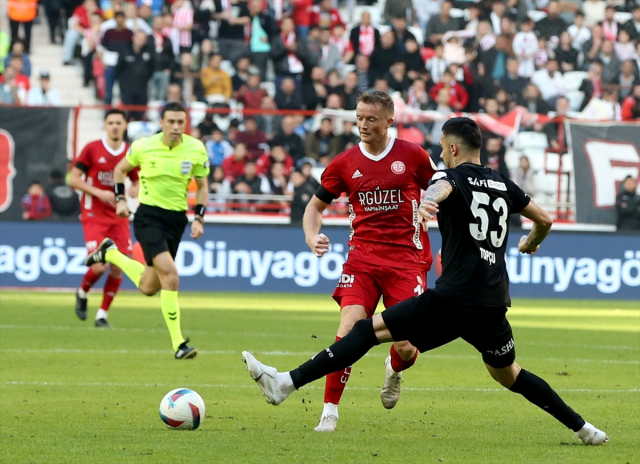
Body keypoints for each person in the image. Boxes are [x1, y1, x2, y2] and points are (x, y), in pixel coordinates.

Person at [242, 117, 610, 447]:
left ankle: (284, 384)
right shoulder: (503, 183)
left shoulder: (447, 177)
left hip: (451, 301)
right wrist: (532, 241)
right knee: (509, 374)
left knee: (365, 331)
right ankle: (584, 429)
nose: (441, 154)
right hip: (493, 304)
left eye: (442, 148)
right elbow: (544, 218)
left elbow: (439, 189)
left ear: (452, 148)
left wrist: (427, 202)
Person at [294, 91, 436, 433]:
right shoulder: (344, 163)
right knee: (347, 330)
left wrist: (431, 205)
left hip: (407, 261)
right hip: (363, 261)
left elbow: (442, 187)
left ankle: (395, 369)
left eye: (371, 119)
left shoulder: (413, 156)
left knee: (405, 345)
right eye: (359, 118)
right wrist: (312, 236)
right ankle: (329, 411)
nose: (363, 125)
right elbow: (314, 207)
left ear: (389, 121)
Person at [83, 102, 209, 359]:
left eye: (180, 122)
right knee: (171, 276)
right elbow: (119, 170)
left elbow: (203, 185)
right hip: (148, 217)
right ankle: (178, 344)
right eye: (171, 121)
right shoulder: (143, 146)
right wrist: (120, 200)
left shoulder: (196, 148)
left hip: (176, 221)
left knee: (149, 287)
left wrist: (199, 218)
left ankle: (110, 253)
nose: (175, 127)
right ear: (161, 122)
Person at [69, 109, 138, 328]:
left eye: (119, 122)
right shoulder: (92, 149)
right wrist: (99, 193)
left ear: (125, 125)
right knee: (99, 266)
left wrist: (135, 188)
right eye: (111, 122)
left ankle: (102, 315)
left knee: (118, 267)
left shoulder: (130, 152)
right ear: (105, 125)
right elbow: (74, 179)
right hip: (94, 214)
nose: (115, 126)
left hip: (118, 215)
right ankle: (82, 291)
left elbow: (136, 179)